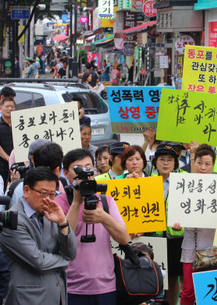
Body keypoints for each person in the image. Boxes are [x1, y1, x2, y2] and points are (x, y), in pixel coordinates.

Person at [55, 148, 130, 304]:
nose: (84, 174)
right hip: (71, 287)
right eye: (78, 169)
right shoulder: (60, 203)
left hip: (106, 286)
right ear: (66, 173)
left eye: (88, 168)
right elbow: (61, 242)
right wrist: (76, 203)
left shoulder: (105, 201)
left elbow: (124, 238)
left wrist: (104, 217)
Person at [0, 167, 77, 305]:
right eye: (43, 193)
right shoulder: (12, 219)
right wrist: (64, 262)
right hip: (28, 298)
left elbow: (71, 253)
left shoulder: (51, 213)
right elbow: (37, 261)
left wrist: (62, 223)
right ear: (26, 191)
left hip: (57, 297)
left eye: (53, 194)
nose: (48, 199)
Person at [172, 144, 217, 305]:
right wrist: (177, 225)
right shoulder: (184, 184)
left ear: (213, 165)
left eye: (207, 163)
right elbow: (177, 213)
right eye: (199, 162)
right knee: (188, 292)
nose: (203, 167)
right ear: (194, 162)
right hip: (192, 245)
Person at [151, 144, 184, 305]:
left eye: (170, 160)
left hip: (175, 237)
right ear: (155, 162)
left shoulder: (183, 181)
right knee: (155, 277)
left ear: (175, 163)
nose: (165, 163)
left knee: (173, 277)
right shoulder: (148, 182)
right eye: (162, 159)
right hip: (154, 236)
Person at [0, 97, 15, 190]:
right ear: (0, 108)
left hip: (16, 165)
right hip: (2, 165)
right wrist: (7, 158)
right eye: (7, 106)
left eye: (12, 107)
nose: (10, 109)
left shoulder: (19, 124)